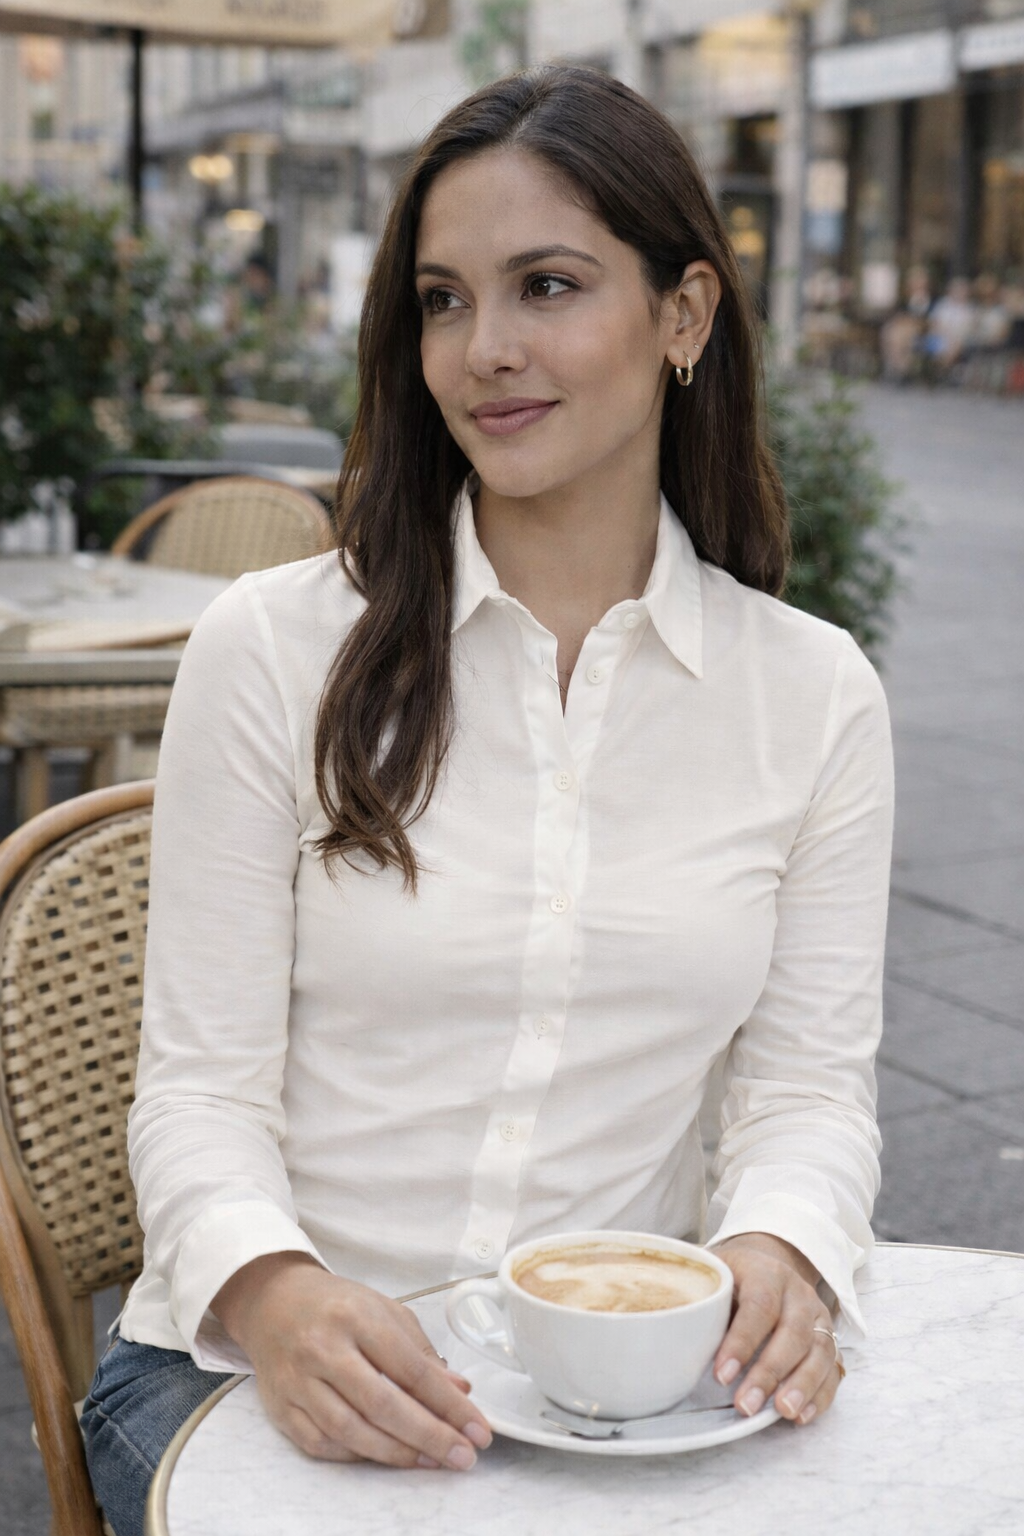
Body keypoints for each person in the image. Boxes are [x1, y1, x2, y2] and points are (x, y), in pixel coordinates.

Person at [82, 65, 893, 1536]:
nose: (485, 350)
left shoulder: (814, 695)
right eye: (444, 300)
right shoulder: (271, 649)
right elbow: (197, 1094)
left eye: (548, 286)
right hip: (247, 1373)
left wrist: (784, 1247)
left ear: (686, 315)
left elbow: (807, 1095)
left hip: (615, 1393)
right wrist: (273, 1293)